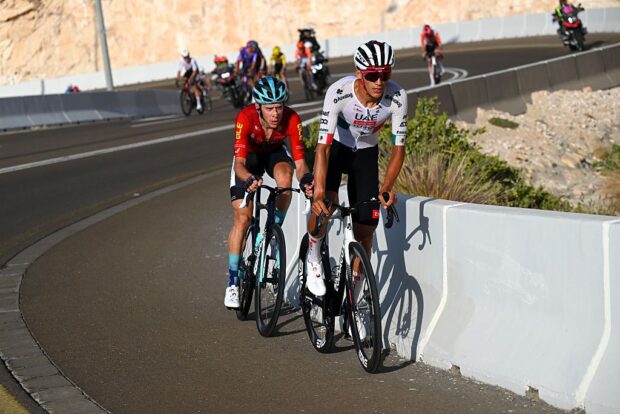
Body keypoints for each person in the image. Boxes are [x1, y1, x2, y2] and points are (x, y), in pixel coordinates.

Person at [304, 40, 408, 296]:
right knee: (325, 205)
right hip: (336, 150)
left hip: (365, 156)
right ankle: (314, 255)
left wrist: (386, 188)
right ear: (359, 74)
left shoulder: (397, 97)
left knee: (366, 231)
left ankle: (355, 297)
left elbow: (398, 149)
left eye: (386, 74)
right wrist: (318, 193)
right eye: (373, 75)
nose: (380, 81)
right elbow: (323, 148)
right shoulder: (339, 92)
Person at [224, 76, 314, 308]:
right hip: (249, 159)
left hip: (274, 153)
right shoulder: (245, 118)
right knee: (242, 219)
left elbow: (300, 162)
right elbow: (239, 165)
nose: (276, 113)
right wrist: (250, 179)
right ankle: (233, 282)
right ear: (258, 107)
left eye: (280, 107)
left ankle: (272, 231)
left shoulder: (292, 119)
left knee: (285, 179)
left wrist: (305, 179)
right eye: (270, 108)